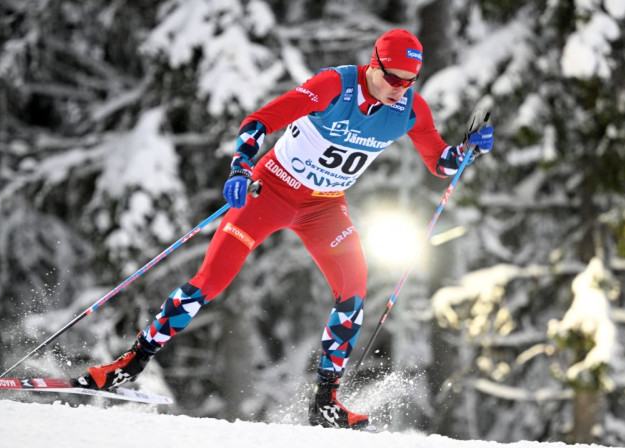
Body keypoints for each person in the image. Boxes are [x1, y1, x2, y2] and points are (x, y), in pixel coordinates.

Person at [75, 29, 494, 430]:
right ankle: (129, 364)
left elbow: (440, 162)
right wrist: (240, 167)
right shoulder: (335, 85)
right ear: (373, 64)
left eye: (409, 81)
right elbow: (259, 121)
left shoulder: (410, 110)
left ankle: (325, 403)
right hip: (270, 190)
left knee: (353, 292)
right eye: (392, 78)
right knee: (211, 281)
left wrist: (467, 151)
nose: (399, 88)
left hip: (324, 207)